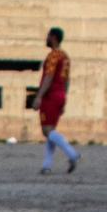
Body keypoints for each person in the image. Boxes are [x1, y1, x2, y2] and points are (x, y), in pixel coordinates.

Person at [36, 26, 78, 174]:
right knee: (51, 131)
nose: (46, 39)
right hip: (60, 94)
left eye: (48, 36)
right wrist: (64, 97)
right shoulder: (65, 57)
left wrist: (39, 96)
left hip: (51, 95)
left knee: (47, 131)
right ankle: (46, 165)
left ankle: (71, 153)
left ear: (53, 38)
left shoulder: (54, 56)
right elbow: (66, 80)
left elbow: (48, 77)